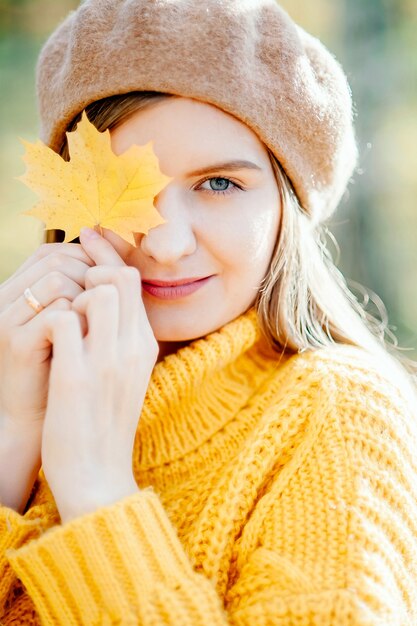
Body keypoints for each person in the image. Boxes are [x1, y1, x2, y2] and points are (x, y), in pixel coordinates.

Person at [1, 0, 417, 623]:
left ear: (285, 207)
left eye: (219, 185)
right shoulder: (20, 385)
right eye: (123, 188)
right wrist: (13, 429)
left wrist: (95, 489)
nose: (166, 244)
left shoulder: (332, 415)